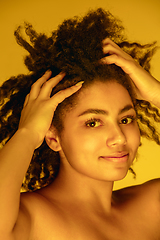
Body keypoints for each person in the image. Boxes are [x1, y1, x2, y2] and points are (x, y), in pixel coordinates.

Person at [0, 8, 160, 240]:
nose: (119, 137)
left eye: (126, 119)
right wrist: (27, 133)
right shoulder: (30, 218)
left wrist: (156, 93)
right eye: (93, 122)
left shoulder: (152, 207)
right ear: (53, 137)